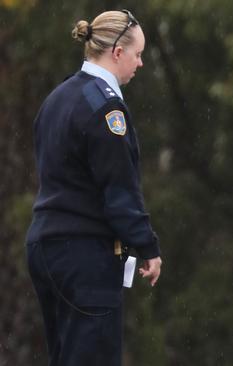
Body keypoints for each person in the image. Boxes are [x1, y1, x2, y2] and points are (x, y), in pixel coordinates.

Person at [25, 9, 162, 366]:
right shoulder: (106, 107)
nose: (141, 63)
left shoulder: (57, 98)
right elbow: (118, 188)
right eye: (138, 54)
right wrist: (147, 245)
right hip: (83, 253)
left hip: (45, 246)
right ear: (118, 52)